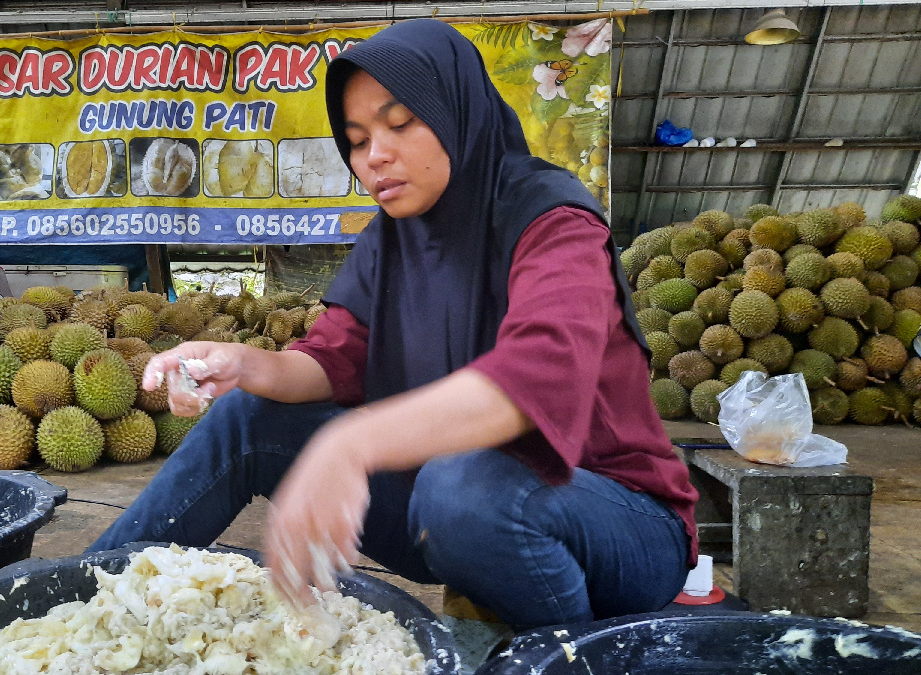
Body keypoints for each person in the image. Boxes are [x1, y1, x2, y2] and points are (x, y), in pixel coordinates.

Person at [88, 19, 699, 629]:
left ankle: (569, 660)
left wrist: (351, 446)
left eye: (400, 123)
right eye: (356, 139)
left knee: (461, 486)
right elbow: (334, 358)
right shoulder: (390, 241)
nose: (374, 154)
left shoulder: (553, 220)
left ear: (454, 109)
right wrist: (242, 364)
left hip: (621, 522)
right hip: (454, 507)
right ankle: (83, 604)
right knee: (247, 416)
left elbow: (535, 377)